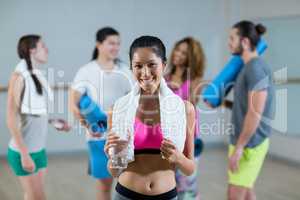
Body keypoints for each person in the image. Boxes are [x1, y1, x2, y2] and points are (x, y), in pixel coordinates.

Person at [104, 35, 196, 200]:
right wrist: (115, 156)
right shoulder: (117, 109)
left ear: (164, 65)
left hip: (166, 195)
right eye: (138, 66)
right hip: (126, 194)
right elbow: (113, 171)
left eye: (152, 65)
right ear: (131, 68)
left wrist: (178, 158)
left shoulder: (184, 109)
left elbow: (190, 169)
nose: (145, 73)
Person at [208, 21, 274, 200]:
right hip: (245, 141)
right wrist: (221, 102)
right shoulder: (248, 68)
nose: (229, 42)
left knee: (234, 194)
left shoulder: (255, 68)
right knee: (247, 193)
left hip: (250, 144)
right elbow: (246, 106)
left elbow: (255, 112)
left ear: (244, 42)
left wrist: (239, 148)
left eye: (232, 38)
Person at [69, 27, 132, 200]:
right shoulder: (86, 71)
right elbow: (73, 105)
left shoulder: (125, 70)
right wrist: (87, 125)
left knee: (124, 182)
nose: (116, 47)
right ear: (99, 44)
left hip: (121, 139)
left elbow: (135, 100)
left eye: (118, 43)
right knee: (104, 186)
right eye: (111, 43)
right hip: (98, 139)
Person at [6, 34, 70, 200]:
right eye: (43, 46)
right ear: (31, 51)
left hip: (39, 150)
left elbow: (34, 113)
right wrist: (24, 154)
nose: (47, 49)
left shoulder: (36, 74)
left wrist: (54, 121)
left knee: (32, 196)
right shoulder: (19, 77)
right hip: (23, 153)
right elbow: (11, 119)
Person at [165, 37, 205, 199]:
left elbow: (191, 104)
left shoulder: (194, 81)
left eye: (184, 53)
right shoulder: (165, 78)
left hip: (189, 137)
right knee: (168, 184)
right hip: (168, 137)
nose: (178, 54)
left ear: (191, 57)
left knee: (186, 185)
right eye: (177, 50)